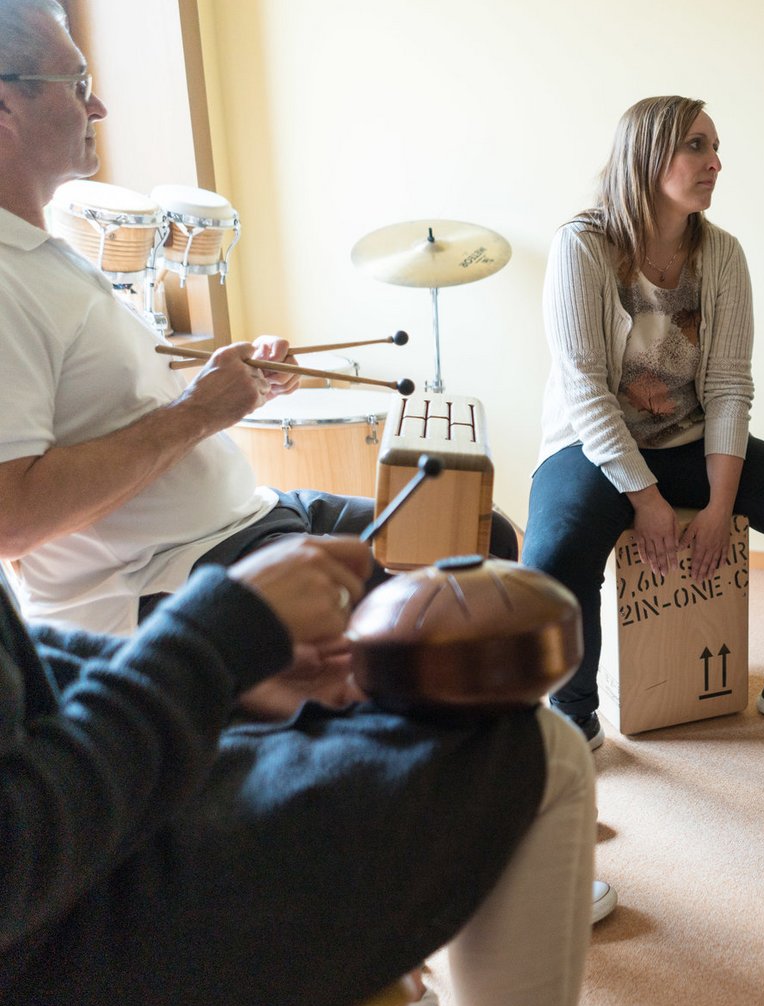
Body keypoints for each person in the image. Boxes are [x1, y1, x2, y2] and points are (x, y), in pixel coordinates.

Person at [0, 0, 517, 637]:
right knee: (456, 592)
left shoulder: (48, 253)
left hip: (247, 518)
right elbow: (13, 521)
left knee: (481, 532)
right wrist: (200, 410)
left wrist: (236, 380)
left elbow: (115, 404)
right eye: (78, 84)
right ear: (5, 105)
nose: (99, 106)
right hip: (163, 575)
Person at [0, 532, 596, 1006]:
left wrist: (226, 678)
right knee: (534, 749)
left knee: (367, 719)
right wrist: (204, 646)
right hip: (52, 962)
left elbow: (23, 663)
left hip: (71, 836)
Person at [525, 95, 764, 751]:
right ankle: (573, 714)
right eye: (697, 145)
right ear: (648, 155)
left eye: (715, 147)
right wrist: (646, 498)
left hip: (689, 440)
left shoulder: (722, 255)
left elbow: (726, 386)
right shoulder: (582, 247)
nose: (715, 162)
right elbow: (585, 390)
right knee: (551, 558)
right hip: (594, 445)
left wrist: (719, 503)